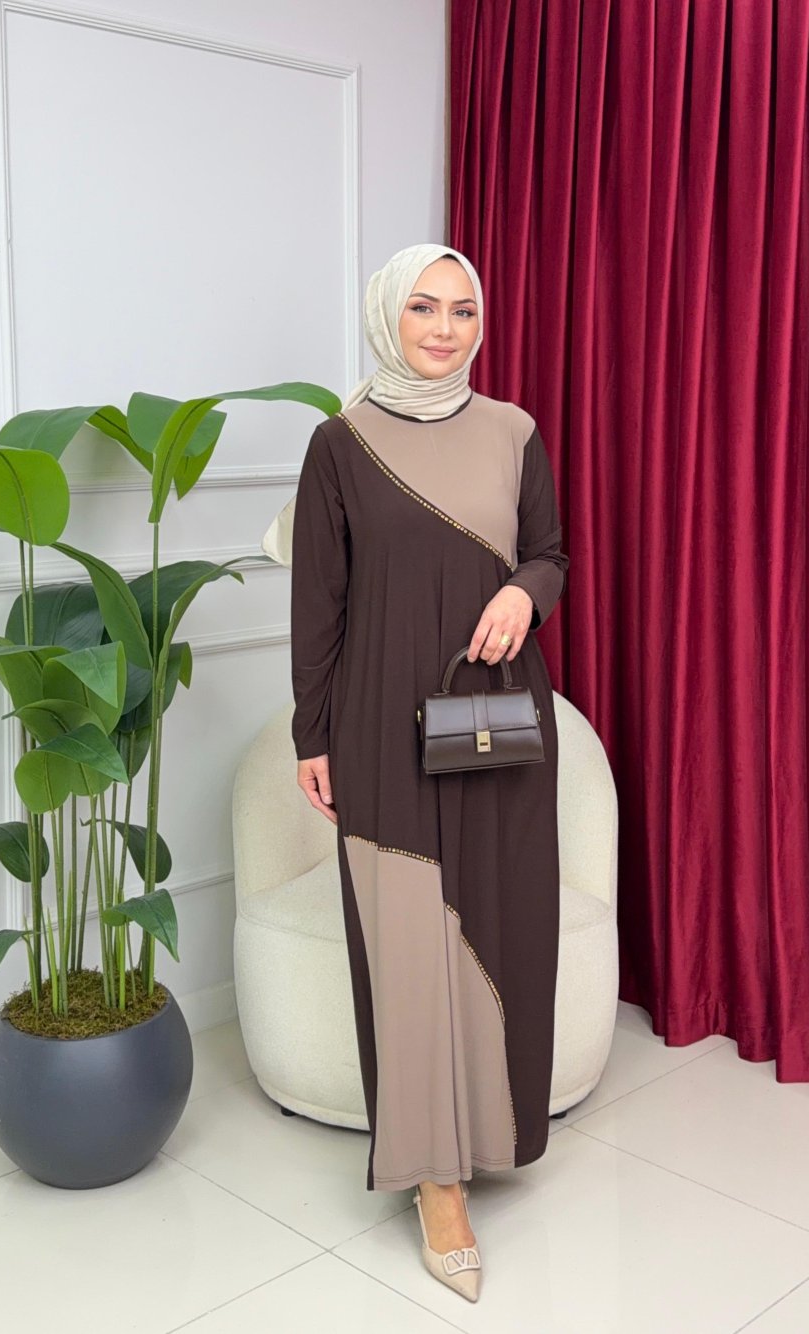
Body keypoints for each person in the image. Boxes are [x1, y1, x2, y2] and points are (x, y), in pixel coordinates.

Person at [269, 242, 568, 1303]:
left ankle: (488, 1132)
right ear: (387, 316)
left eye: (463, 310)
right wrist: (312, 735)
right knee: (403, 944)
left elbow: (549, 552)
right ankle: (435, 1181)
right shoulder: (340, 444)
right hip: (378, 727)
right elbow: (318, 600)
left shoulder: (513, 430)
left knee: (499, 928)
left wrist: (525, 593)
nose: (445, 329)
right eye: (424, 308)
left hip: (496, 720)